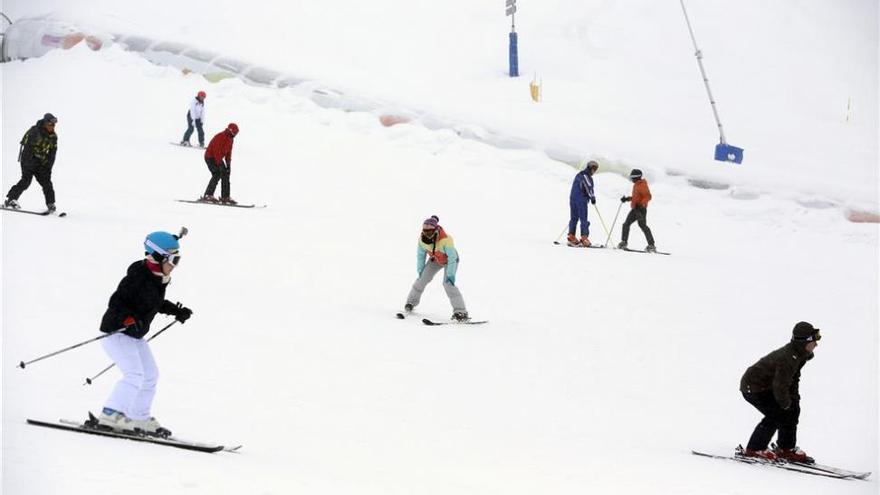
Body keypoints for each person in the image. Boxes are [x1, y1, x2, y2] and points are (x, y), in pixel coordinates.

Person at [95, 231, 193, 437]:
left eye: (178, 259)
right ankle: (110, 414)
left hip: (135, 335)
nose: (175, 265)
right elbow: (117, 302)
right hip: (116, 332)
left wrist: (176, 310)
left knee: (150, 376)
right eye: (173, 259)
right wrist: (127, 319)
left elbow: (153, 303)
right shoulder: (138, 277)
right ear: (158, 257)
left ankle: (139, 417)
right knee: (134, 375)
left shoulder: (158, 278)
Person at [739, 322, 820, 463]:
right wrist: (785, 403)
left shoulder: (800, 354)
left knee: (792, 410)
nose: (816, 344)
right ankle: (754, 449)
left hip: (768, 386)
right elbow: (780, 385)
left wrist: (793, 400)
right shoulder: (788, 358)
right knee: (776, 414)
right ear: (803, 342)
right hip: (753, 386)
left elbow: (792, 378)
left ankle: (785, 449)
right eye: (814, 339)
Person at [404, 216, 469, 321]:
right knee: (421, 280)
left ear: (435, 230)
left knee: (448, 284)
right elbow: (420, 256)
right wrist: (421, 271)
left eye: (429, 230)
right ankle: (411, 302)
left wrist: (450, 275)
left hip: (450, 260)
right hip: (436, 260)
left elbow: (452, 258)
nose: (426, 233)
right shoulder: (422, 240)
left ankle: (461, 312)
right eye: (424, 230)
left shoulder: (446, 239)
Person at [4, 113, 59, 212]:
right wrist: (31, 164)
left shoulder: (53, 137)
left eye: (54, 125)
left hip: (40, 162)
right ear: (45, 123)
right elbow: (28, 149)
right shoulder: (35, 131)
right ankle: (11, 200)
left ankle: (51, 203)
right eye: (51, 124)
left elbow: (52, 154)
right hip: (27, 160)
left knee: (47, 182)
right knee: (26, 181)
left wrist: (48, 167)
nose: (53, 127)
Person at [617, 169, 656, 252]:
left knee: (642, 226)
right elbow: (636, 198)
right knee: (626, 224)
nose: (631, 179)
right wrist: (627, 199)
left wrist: (642, 204)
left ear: (637, 177)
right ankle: (624, 242)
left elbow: (648, 196)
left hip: (640, 209)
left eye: (632, 178)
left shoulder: (642, 185)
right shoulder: (636, 185)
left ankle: (651, 245)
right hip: (635, 209)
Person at [202, 123, 239, 204]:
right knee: (217, 174)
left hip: (217, 157)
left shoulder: (230, 139)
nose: (235, 135)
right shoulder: (221, 136)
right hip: (210, 157)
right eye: (234, 133)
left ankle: (225, 197)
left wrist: (228, 165)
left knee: (226, 174)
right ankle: (208, 195)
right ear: (230, 131)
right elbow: (216, 151)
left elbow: (229, 152)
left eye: (236, 133)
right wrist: (220, 164)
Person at [567, 160, 599, 247]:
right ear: (590, 167)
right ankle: (584, 238)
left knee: (574, 218)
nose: (594, 171)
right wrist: (592, 197)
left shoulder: (579, 174)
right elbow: (588, 186)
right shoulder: (585, 176)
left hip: (573, 199)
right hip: (581, 200)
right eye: (594, 168)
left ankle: (571, 236)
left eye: (596, 169)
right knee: (583, 219)